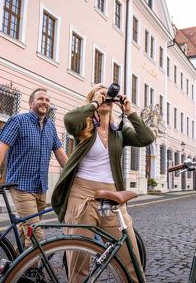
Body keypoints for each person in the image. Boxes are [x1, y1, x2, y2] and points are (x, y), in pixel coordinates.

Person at [52, 84, 155, 282]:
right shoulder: (83, 127)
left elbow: (146, 138)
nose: (106, 97)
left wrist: (130, 112)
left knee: (131, 260)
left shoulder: (119, 131)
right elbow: (69, 119)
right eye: (101, 94)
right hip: (82, 196)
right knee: (79, 263)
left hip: (112, 197)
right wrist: (95, 102)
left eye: (108, 95)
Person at [0, 88, 68, 248]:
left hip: (41, 186)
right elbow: (1, 149)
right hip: (21, 186)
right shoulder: (18, 120)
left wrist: (74, 175)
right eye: (41, 99)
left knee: (25, 230)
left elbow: (61, 154)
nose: (45, 102)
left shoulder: (50, 126)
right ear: (31, 103)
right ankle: (33, 270)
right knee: (36, 233)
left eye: (47, 100)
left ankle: (15, 266)